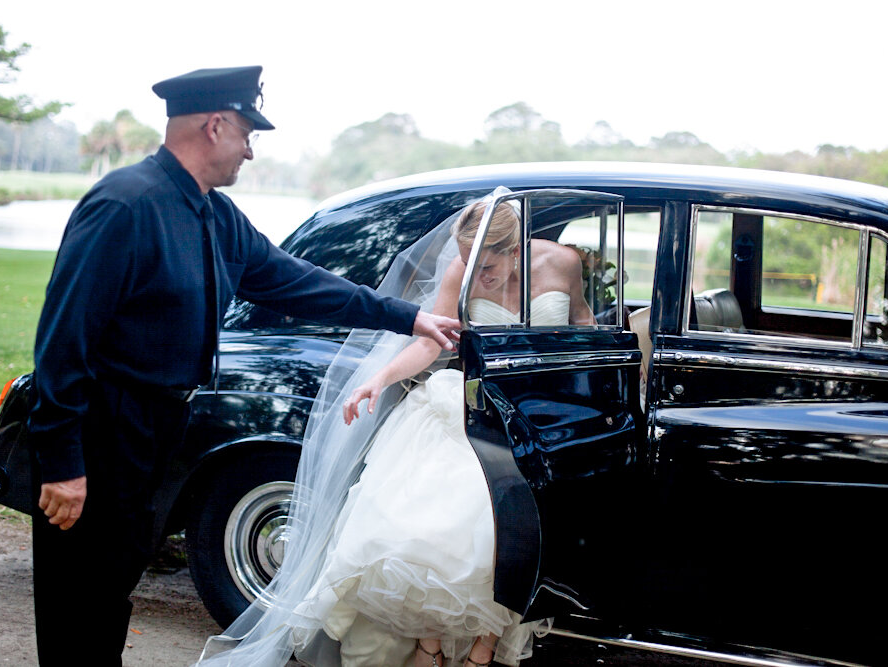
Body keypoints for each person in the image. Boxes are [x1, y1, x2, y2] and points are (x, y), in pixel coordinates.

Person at [26, 66, 460, 667]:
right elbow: (62, 343)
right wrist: (62, 465)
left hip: (157, 429)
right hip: (103, 429)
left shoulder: (216, 215)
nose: (251, 151)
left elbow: (297, 282)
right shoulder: (125, 205)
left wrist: (405, 318)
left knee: (111, 587)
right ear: (215, 125)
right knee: (77, 592)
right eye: (247, 134)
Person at [198, 192, 594, 667]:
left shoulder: (563, 263)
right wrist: (378, 379)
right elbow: (432, 343)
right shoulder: (462, 274)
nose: (476, 276)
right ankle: (430, 644)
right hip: (471, 408)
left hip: (540, 416)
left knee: (518, 539)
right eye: (468, 263)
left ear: (516, 251)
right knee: (443, 528)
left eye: (486, 267)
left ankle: (484, 648)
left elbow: (585, 325)